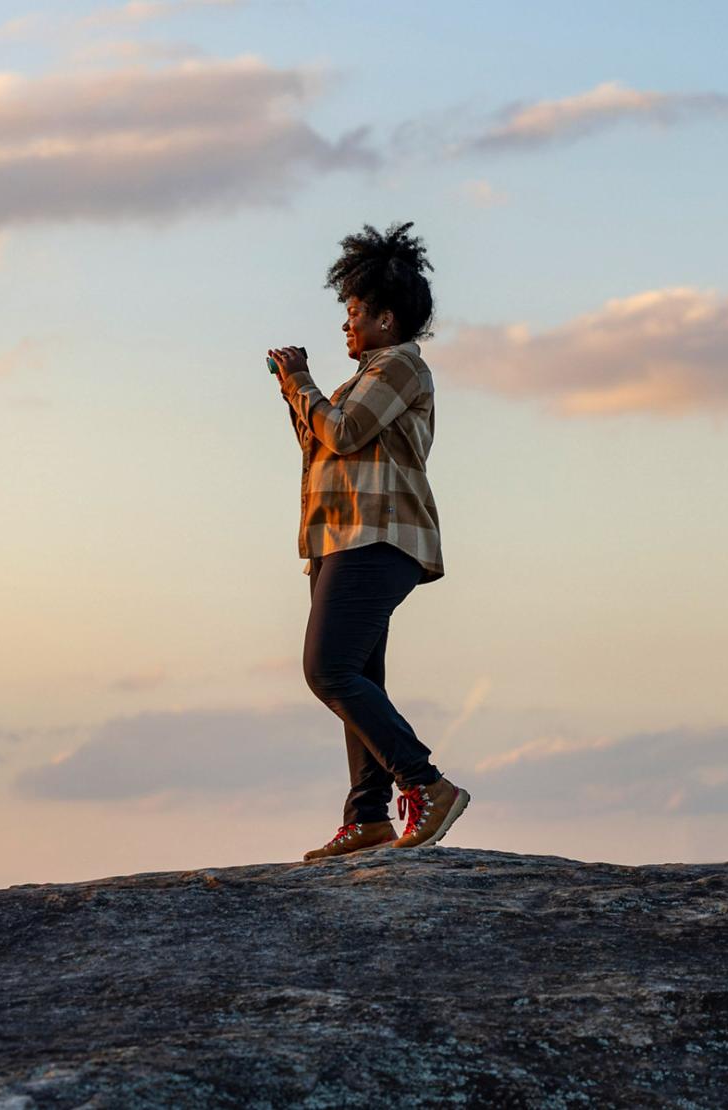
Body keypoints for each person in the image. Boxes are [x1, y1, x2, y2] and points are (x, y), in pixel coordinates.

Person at [267, 220, 470, 862]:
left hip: (380, 538)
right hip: (342, 541)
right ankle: (367, 819)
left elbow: (346, 431)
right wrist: (293, 393)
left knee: (327, 669)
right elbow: (323, 445)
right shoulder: (368, 374)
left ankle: (426, 784)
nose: (346, 325)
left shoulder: (402, 365)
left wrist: (302, 384)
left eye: (354, 312)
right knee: (358, 678)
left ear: (386, 317)